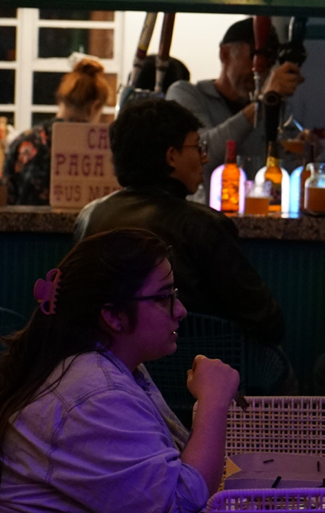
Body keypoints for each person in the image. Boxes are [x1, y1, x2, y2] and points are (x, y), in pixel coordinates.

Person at [0, 228, 240, 513]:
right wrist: (213, 404)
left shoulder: (108, 367)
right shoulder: (93, 394)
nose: (180, 311)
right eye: (164, 297)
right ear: (111, 315)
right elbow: (183, 512)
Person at [73, 99, 285, 346]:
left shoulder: (89, 216)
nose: (204, 158)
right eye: (198, 147)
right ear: (172, 156)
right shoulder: (205, 225)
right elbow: (266, 321)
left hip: (109, 371)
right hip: (196, 373)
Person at [166, 18, 304, 188]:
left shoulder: (271, 105)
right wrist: (262, 103)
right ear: (224, 54)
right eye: (253, 59)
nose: (262, 72)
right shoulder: (187, 94)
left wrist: (298, 154)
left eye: (268, 64)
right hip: (203, 213)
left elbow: (277, 173)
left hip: (255, 211)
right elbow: (204, 155)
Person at [5, 56, 112, 205]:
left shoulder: (25, 142)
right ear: (94, 106)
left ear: (61, 100)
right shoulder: (102, 149)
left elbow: (6, 195)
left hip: (25, 227)